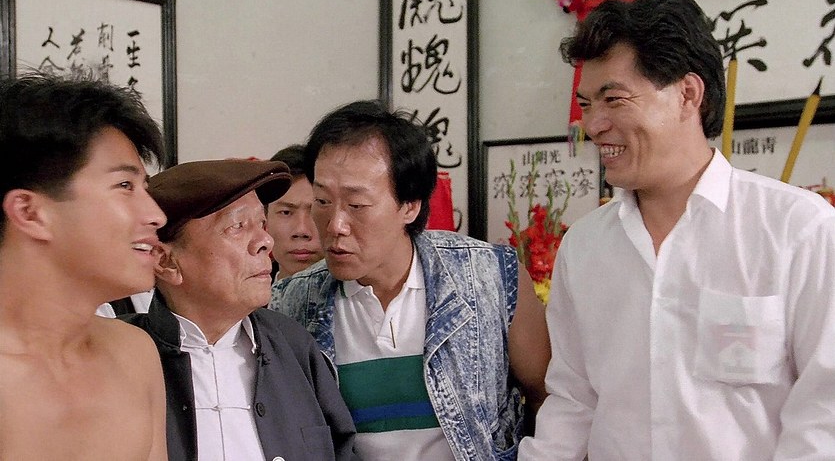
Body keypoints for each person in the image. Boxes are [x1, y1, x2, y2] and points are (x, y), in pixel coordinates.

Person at [518, 0, 835, 459]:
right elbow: (573, 402)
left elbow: (824, 412)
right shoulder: (584, 247)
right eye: (586, 104)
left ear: (688, 94)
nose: (594, 124)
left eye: (614, 100)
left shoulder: (797, 229)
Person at [269, 100, 550, 460]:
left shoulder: (489, 276)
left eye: (357, 205)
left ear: (410, 206)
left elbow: (549, 398)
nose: (335, 225)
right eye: (322, 201)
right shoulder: (291, 303)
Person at [121, 158, 359, 460]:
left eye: (262, 224)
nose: (266, 241)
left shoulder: (293, 345)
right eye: (237, 226)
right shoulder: (121, 355)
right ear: (166, 261)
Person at [0, 74, 168, 459]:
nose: (156, 215)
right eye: (124, 186)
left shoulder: (135, 355)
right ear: (30, 213)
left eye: (145, 188)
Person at [267, 144, 325, 281]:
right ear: (264, 219)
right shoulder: (240, 293)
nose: (301, 231)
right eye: (286, 212)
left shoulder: (364, 293)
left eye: (314, 212)